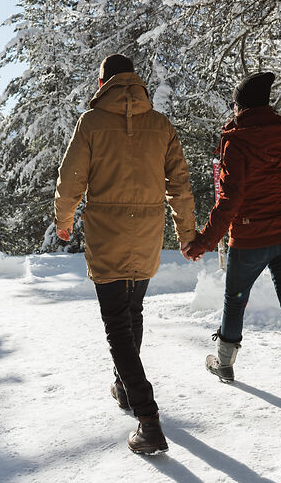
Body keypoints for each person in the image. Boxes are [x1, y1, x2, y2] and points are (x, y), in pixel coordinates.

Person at [54, 54, 196, 453]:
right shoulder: (161, 125)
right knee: (132, 314)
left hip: (107, 233)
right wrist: (187, 233)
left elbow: (71, 180)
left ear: (104, 83)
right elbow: (180, 185)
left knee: (117, 323)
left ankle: (148, 419)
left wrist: (64, 221)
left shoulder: (91, 122)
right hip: (148, 232)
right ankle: (123, 385)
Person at [185, 72, 281, 414]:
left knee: (235, 301)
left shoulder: (238, 141)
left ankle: (223, 363)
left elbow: (229, 201)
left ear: (242, 106)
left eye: (235, 104)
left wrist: (205, 241)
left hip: (250, 239)